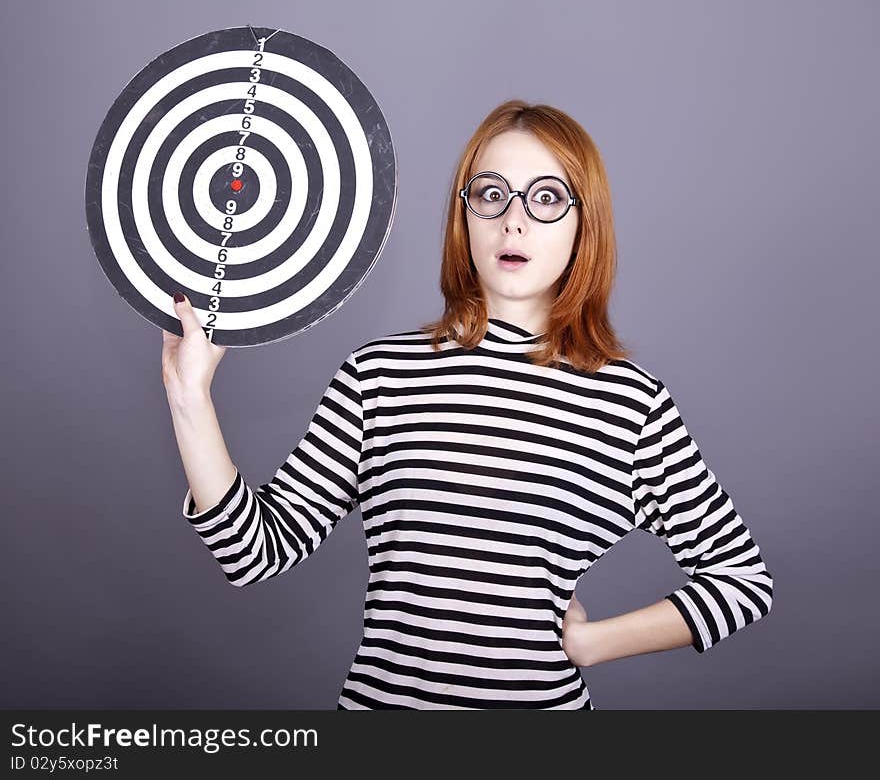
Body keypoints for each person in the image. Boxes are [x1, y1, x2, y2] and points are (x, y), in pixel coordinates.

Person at [162, 99, 774, 710]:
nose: (514, 222)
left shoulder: (630, 403)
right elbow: (252, 552)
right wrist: (189, 395)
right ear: (465, 214)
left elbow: (743, 582)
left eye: (547, 198)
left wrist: (595, 643)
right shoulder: (379, 375)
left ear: (586, 221)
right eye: (491, 194)